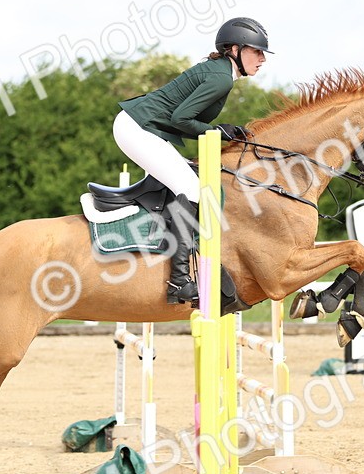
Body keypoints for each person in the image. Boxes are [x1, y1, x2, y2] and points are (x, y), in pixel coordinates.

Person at [113, 16, 271, 305]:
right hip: (136, 128)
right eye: (256, 51)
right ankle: (179, 280)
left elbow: (184, 118)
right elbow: (181, 118)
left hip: (142, 127)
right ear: (235, 49)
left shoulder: (222, 72)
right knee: (190, 188)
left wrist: (221, 129)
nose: (262, 59)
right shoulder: (221, 77)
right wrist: (217, 131)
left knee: (190, 182)